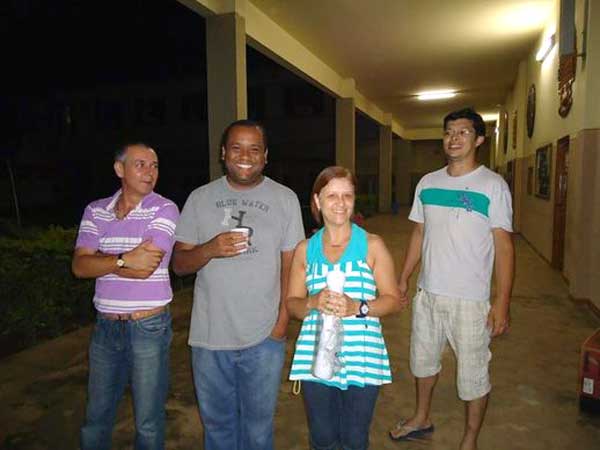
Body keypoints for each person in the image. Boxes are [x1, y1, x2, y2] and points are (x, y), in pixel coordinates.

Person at [172, 119, 305, 450]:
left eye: (254, 149)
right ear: (223, 153)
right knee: (217, 428)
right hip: (209, 337)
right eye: (236, 148)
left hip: (264, 338)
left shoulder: (285, 198)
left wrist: (281, 324)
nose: (245, 156)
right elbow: (179, 265)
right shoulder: (200, 198)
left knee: (258, 430)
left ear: (265, 156)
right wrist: (209, 249)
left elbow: (292, 266)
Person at [389, 108, 514, 450]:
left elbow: (504, 247)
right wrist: (404, 277)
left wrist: (502, 302)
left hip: (470, 301)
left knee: (473, 375)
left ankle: (469, 439)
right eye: (448, 132)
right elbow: (419, 233)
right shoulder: (428, 183)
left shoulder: (493, 186)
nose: (454, 138)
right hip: (428, 293)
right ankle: (421, 418)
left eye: (462, 132)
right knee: (422, 361)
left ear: (479, 139)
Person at [287, 166, 404, 450]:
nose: (340, 203)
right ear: (317, 201)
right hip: (316, 357)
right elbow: (292, 304)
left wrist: (357, 307)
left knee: (354, 439)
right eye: (331, 196)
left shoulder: (372, 245)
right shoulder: (305, 250)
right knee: (323, 437)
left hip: (362, 357)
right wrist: (313, 302)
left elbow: (392, 300)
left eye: (347, 196)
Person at [72, 143, 179, 450]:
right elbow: (79, 267)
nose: (150, 172)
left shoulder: (165, 208)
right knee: (96, 416)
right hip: (105, 328)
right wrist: (123, 260)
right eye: (140, 164)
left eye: (154, 165)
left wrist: (102, 260)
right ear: (120, 169)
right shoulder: (95, 210)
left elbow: (145, 268)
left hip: (148, 327)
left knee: (148, 420)